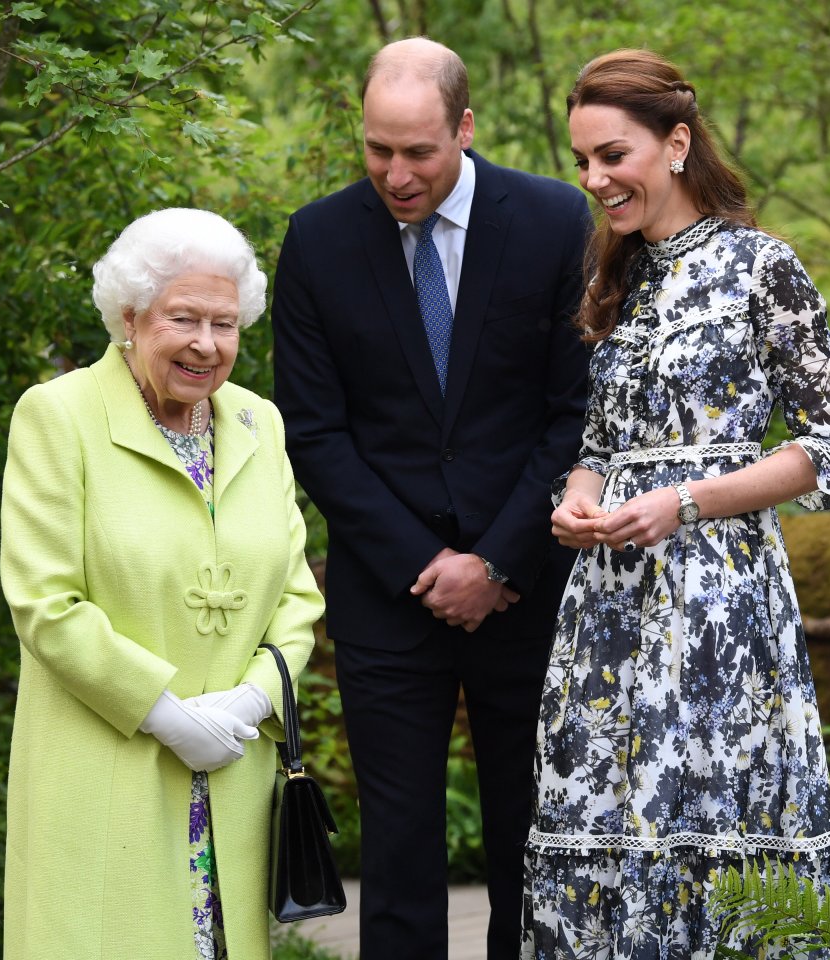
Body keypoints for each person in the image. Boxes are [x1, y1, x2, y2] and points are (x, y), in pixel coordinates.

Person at [522, 49, 830, 959]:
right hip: (608, 609)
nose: (594, 179)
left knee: (710, 827)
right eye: (582, 159)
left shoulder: (762, 267)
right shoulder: (618, 275)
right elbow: (598, 443)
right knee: (603, 826)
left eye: (612, 155)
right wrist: (577, 498)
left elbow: (826, 448)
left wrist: (689, 502)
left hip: (720, 603)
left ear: (676, 145)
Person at [271, 36, 590, 959]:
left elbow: (574, 412)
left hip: (529, 586)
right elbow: (315, 431)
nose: (397, 174)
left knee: (530, 840)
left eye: (419, 151)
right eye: (378, 150)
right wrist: (428, 564)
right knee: (401, 850)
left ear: (465, 127)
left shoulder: (552, 220)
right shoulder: (320, 239)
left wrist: (495, 561)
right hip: (387, 594)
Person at [0, 208, 324, 960]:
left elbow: (295, 596)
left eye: (225, 323)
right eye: (183, 318)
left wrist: (251, 699)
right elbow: (45, 603)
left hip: (231, 778)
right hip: (105, 773)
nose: (206, 345)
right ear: (129, 316)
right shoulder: (60, 416)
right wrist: (165, 713)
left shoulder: (257, 422)